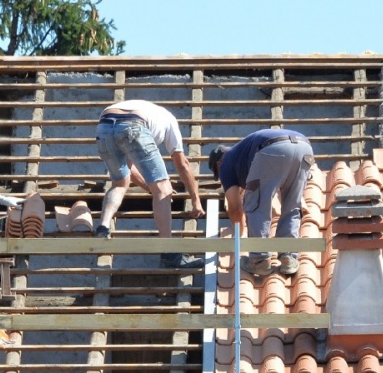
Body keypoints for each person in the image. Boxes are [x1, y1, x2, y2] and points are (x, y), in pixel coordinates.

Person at [92, 100, 206, 269]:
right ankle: (169, 254)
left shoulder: (148, 110)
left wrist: (149, 188)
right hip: (133, 124)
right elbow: (182, 164)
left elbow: (130, 169)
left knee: (120, 183)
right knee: (163, 189)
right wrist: (196, 200)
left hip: (105, 124)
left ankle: (103, 227)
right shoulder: (170, 121)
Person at [209, 127, 318, 278]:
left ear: (218, 163)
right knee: (292, 206)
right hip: (304, 148)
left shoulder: (225, 163)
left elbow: (235, 208)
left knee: (256, 204)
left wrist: (238, 239)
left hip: (273, 150)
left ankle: (260, 260)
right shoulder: (242, 154)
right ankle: (288, 258)